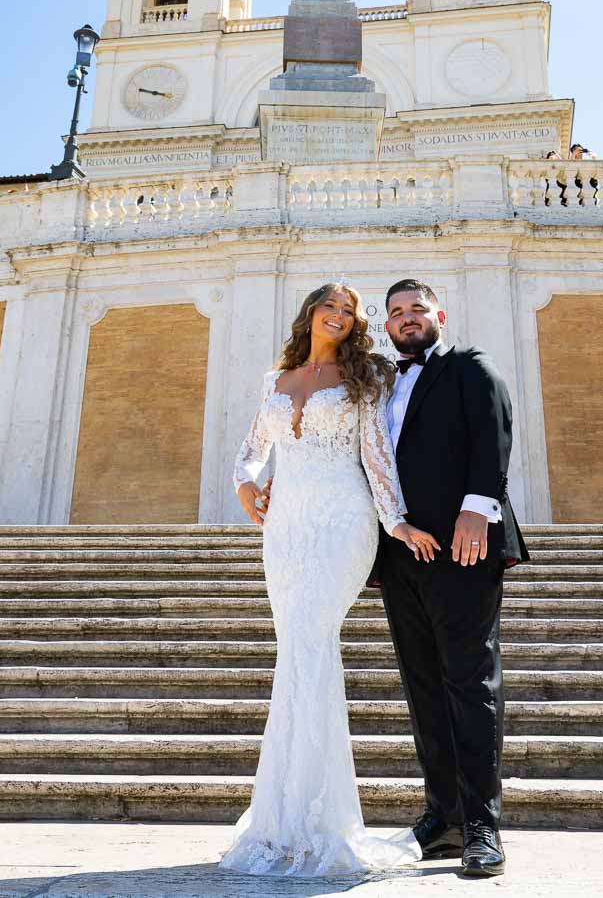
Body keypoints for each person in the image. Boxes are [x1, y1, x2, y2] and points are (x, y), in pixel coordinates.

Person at [220, 283, 433, 878]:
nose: (339, 317)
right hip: (285, 526)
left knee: (312, 645)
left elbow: (376, 455)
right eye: (330, 307)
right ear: (311, 313)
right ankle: (281, 820)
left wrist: (396, 520)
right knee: (295, 654)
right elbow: (250, 452)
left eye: (349, 311)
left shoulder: (362, 378)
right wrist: (245, 486)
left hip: (343, 520)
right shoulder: (275, 379)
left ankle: (326, 823)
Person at [378, 279, 530, 878]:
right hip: (400, 552)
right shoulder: (385, 383)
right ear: (386, 326)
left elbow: (494, 432)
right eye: (396, 313)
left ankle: (482, 823)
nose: (407, 318)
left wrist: (478, 507)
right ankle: (442, 816)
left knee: (470, 680)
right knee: (422, 685)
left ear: (438, 314)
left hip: (465, 545)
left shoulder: (469, 365)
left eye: (417, 308)